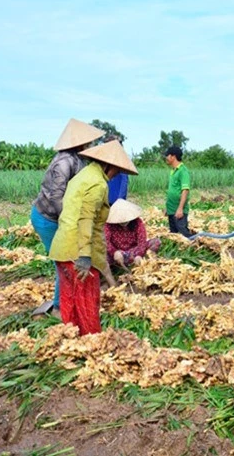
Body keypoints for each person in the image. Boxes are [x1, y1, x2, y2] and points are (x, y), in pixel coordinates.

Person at [49, 140, 138, 335]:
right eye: (117, 170)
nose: (116, 174)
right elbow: (86, 219)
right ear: (109, 165)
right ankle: (92, 342)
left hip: (62, 247)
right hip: (77, 251)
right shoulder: (97, 184)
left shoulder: (84, 175)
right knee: (87, 300)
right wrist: (85, 256)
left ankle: (71, 338)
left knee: (69, 298)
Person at [31, 118, 105, 317]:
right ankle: (59, 308)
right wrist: (71, 222)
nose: (89, 145)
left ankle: (64, 304)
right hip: (48, 218)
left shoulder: (79, 160)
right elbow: (56, 197)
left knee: (67, 260)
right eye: (87, 142)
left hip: (60, 218)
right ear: (79, 142)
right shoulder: (63, 162)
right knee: (64, 261)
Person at [105, 199, 160, 268]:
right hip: (118, 253)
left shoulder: (137, 222)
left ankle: (143, 260)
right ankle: (116, 265)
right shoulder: (109, 225)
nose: (123, 222)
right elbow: (105, 241)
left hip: (133, 251)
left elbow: (142, 241)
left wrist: (139, 254)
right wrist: (114, 252)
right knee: (102, 256)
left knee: (156, 241)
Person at [164, 146, 193, 238]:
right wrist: (167, 208)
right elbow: (172, 191)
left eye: (167, 156)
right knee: (174, 235)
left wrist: (180, 208)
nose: (166, 158)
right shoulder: (173, 171)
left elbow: (185, 190)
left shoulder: (183, 171)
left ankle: (192, 246)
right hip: (171, 209)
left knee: (183, 233)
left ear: (173, 156)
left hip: (178, 210)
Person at [106, 136, 129, 205]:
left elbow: (124, 183)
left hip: (116, 200)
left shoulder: (122, 161)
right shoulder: (106, 160)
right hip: (105, 198)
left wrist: (120, 200)